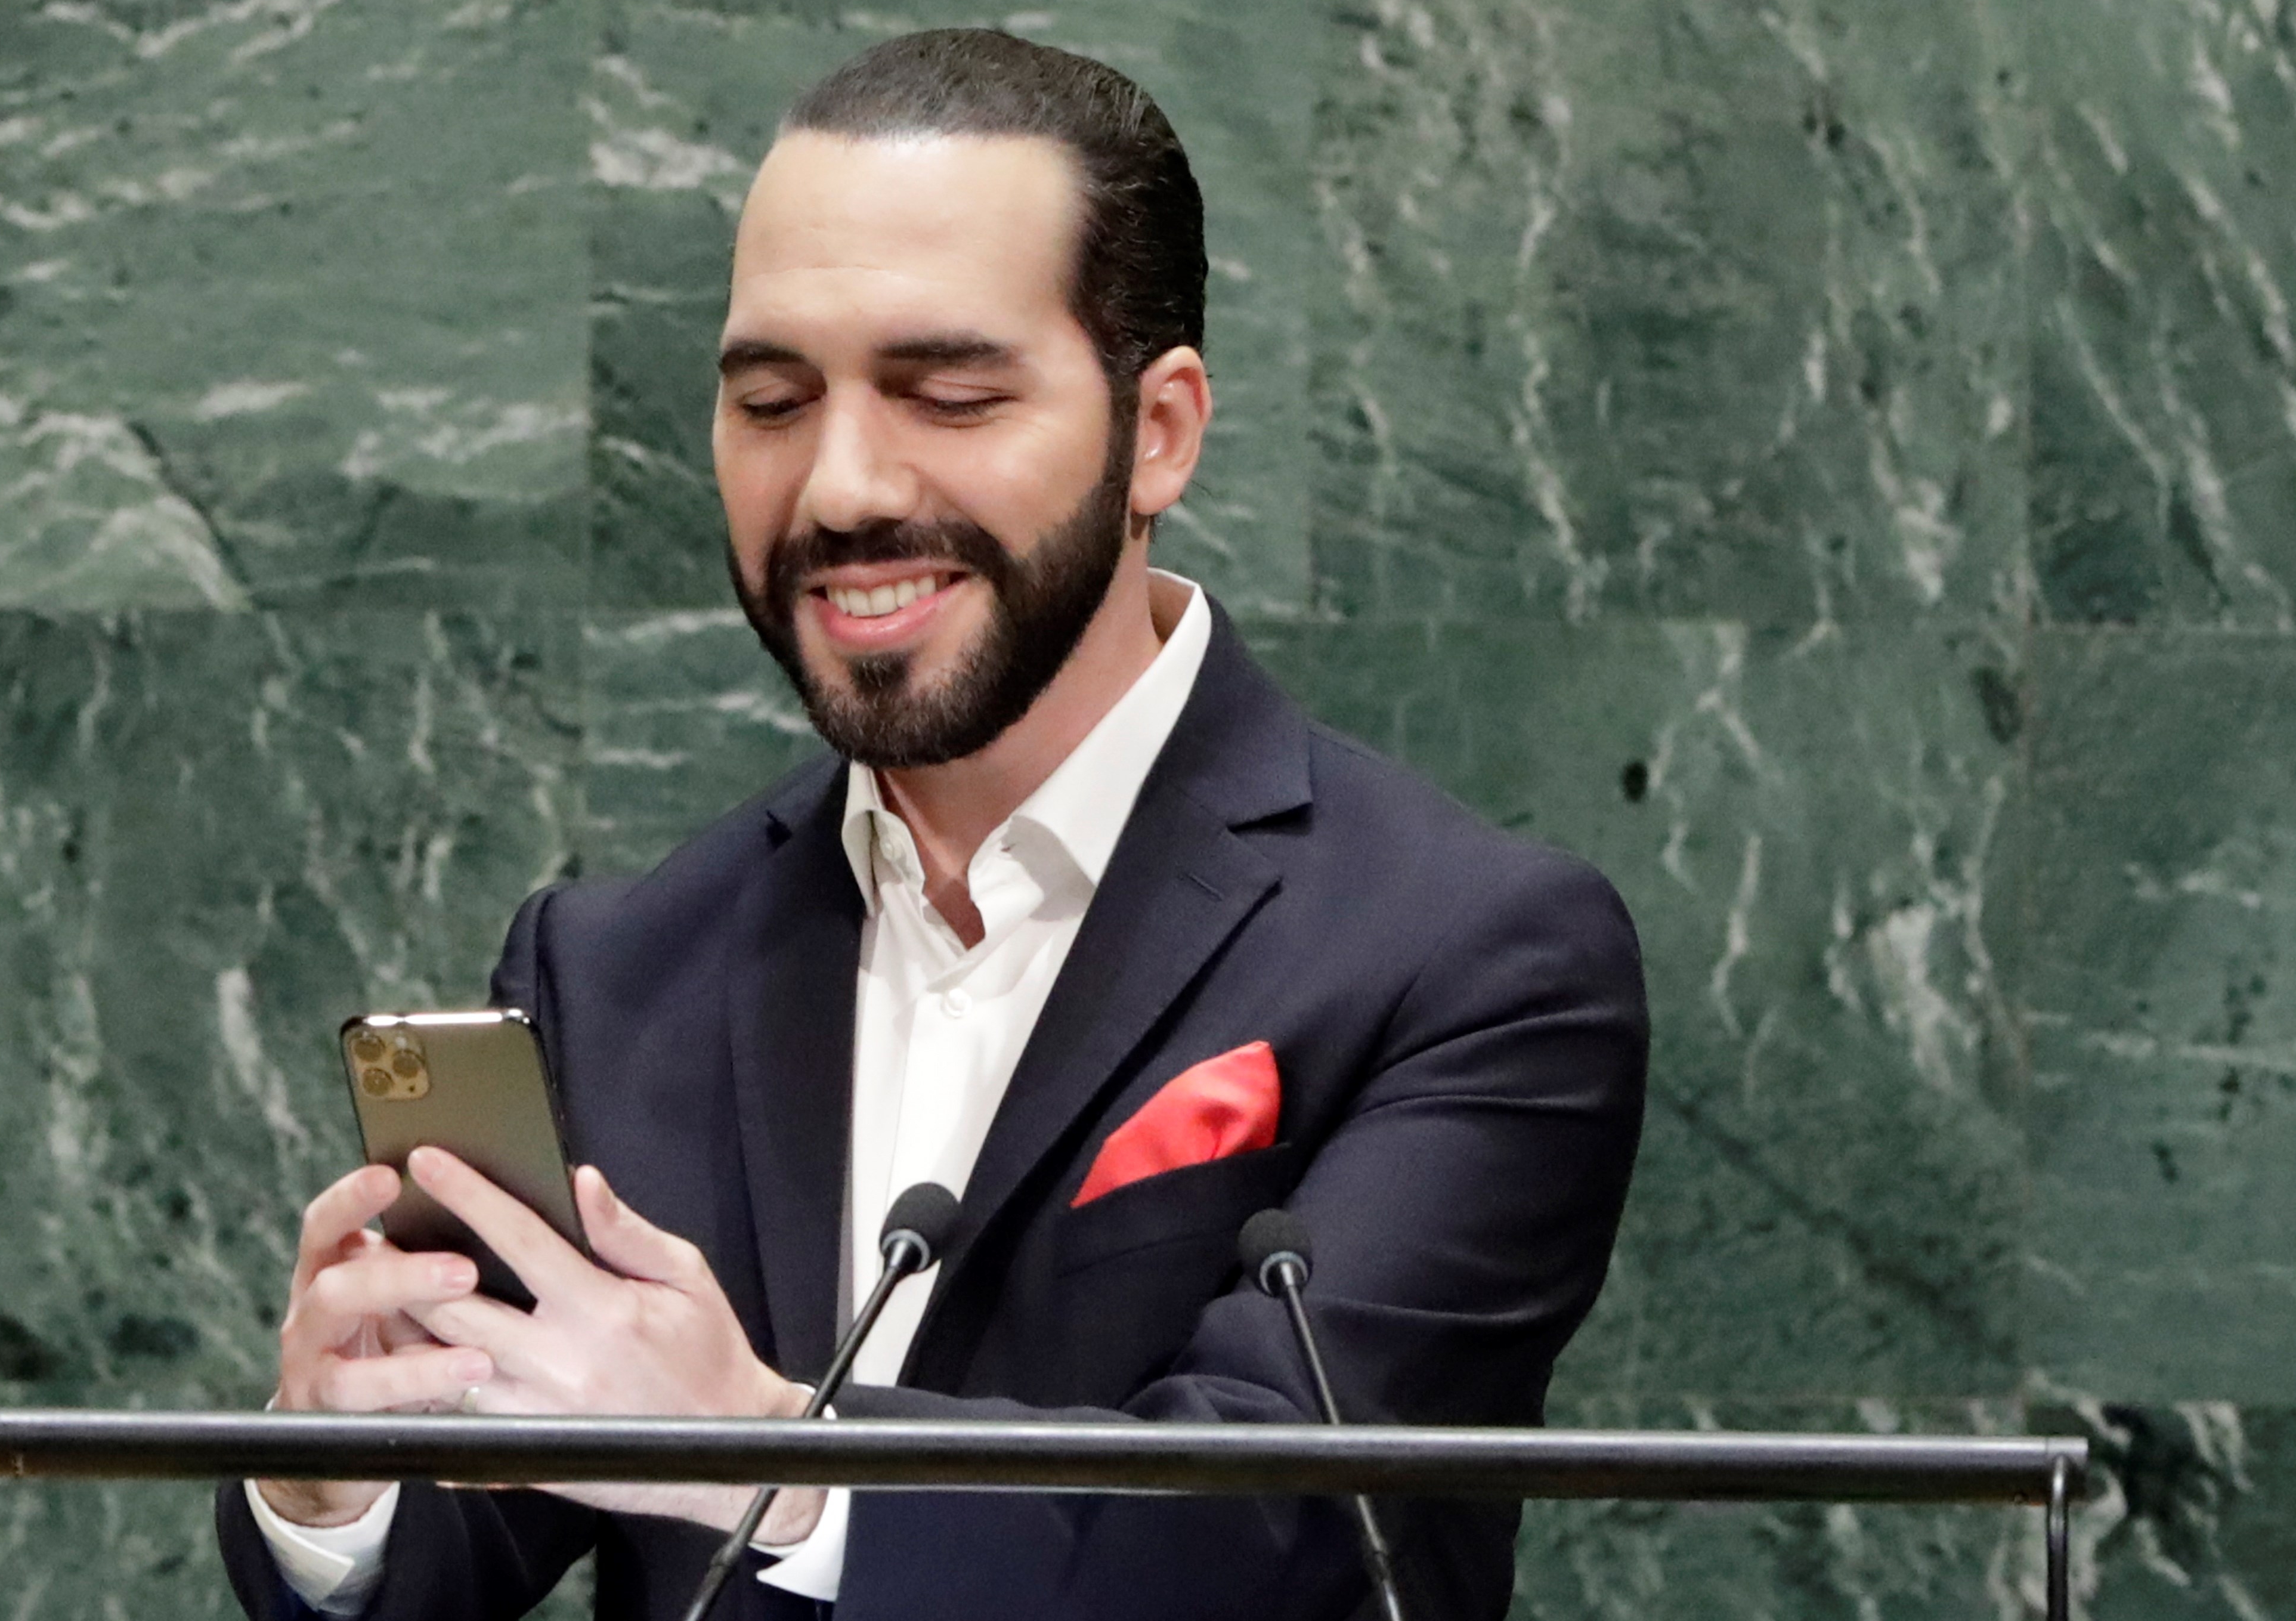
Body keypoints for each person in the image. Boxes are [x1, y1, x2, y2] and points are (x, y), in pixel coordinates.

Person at [216, 27, 1645, 1621]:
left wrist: (752, 1442)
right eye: (769, 401)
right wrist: (327, 1480)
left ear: (1157, 429)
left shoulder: (1467, 953)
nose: (835, 489)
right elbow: (443, 1568)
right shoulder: (613, 967)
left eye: (947, 394)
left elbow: (1294, 1532)